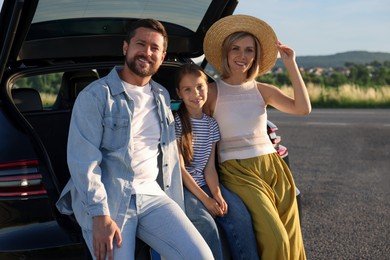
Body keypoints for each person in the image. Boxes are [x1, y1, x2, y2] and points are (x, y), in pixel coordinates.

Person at [56, 19, 213, 260]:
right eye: (141, 44)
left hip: (153, 195)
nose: (147, 52)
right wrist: (99, 216)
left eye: (154, 48)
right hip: (111, 199)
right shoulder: (95, 96)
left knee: (201, 256)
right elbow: (83, 161)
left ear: (162, 57)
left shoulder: (161, 95)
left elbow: (170, 154)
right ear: (125, 47)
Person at [203, 15, 311, 260]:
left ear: (256, 56)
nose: (242, 56)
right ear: (226, 52)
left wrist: (291, 63)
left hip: (274, 168)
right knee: (277, 239)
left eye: (249, 50)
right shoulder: (210, 92)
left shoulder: (263, 90)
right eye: (236, 49)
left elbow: (303, 108)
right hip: (237, 172)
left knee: (292, 238)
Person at [174, 63, 259, 260]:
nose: (196, 93)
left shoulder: (211, 124)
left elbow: (209, 168)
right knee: (206, 222)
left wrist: (217, 194)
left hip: (206, 184)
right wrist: (206, 200)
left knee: (240, 216)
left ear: (207, 87)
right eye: (188, 89)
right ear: (179, 93)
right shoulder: (176, 122)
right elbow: (179, 169)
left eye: (200, 87)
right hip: (184, 188)